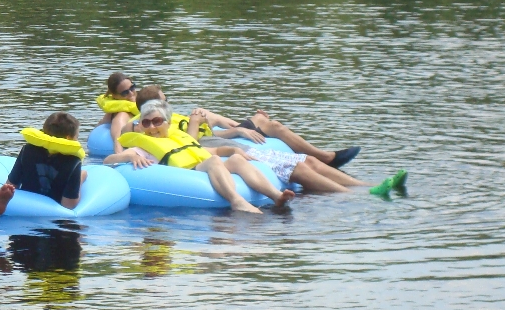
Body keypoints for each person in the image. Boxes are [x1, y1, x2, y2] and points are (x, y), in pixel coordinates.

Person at [104, 99, 296, 214]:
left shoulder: (179, 137)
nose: (152, 127)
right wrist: (129, 158)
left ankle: (276, 196)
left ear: (168, 122)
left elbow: (208, 152)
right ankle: (236, 200)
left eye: (157, 121)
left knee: (236, 160)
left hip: (199, 166)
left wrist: (234, 150)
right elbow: (109, 160)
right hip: (187, 174)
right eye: (146, 123)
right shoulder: (143, 147)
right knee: (213, 162)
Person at [133, 85, 361, 169]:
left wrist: (240, 126)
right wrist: (239, 131)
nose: (168, 104)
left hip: (219, 136)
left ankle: (324, 156)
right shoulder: (155, 127)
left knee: (266, 121)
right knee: (272, 126)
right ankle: (326, 158)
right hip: (212, 144)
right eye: (164, 101)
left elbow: (214, 131)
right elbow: (195, 144)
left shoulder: (174, 117)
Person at [189, 109, 407, 194]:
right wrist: (194, 123)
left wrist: (246, 126)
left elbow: (225, 124)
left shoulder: (189, 117)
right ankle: (363, 197)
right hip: (234, 153)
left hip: (242, 146)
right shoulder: (176, 130)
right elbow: (190, 145)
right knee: (299, 168)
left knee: (308, 161)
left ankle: (368, 186)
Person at [8, 112, 89, 209]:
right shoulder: (73, 161)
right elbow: (68, 205)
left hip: (24, 207)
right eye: (77, 136)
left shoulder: (28, 150)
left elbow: (10, 187)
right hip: (53, 216)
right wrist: (80, 178)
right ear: (69, 138)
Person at [95, 73, 141, 149]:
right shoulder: (121, 116)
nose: (131, 93)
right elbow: (118, 141)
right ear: (115, 96)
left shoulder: (142, 100)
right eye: (125, 93)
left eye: (132, 88)